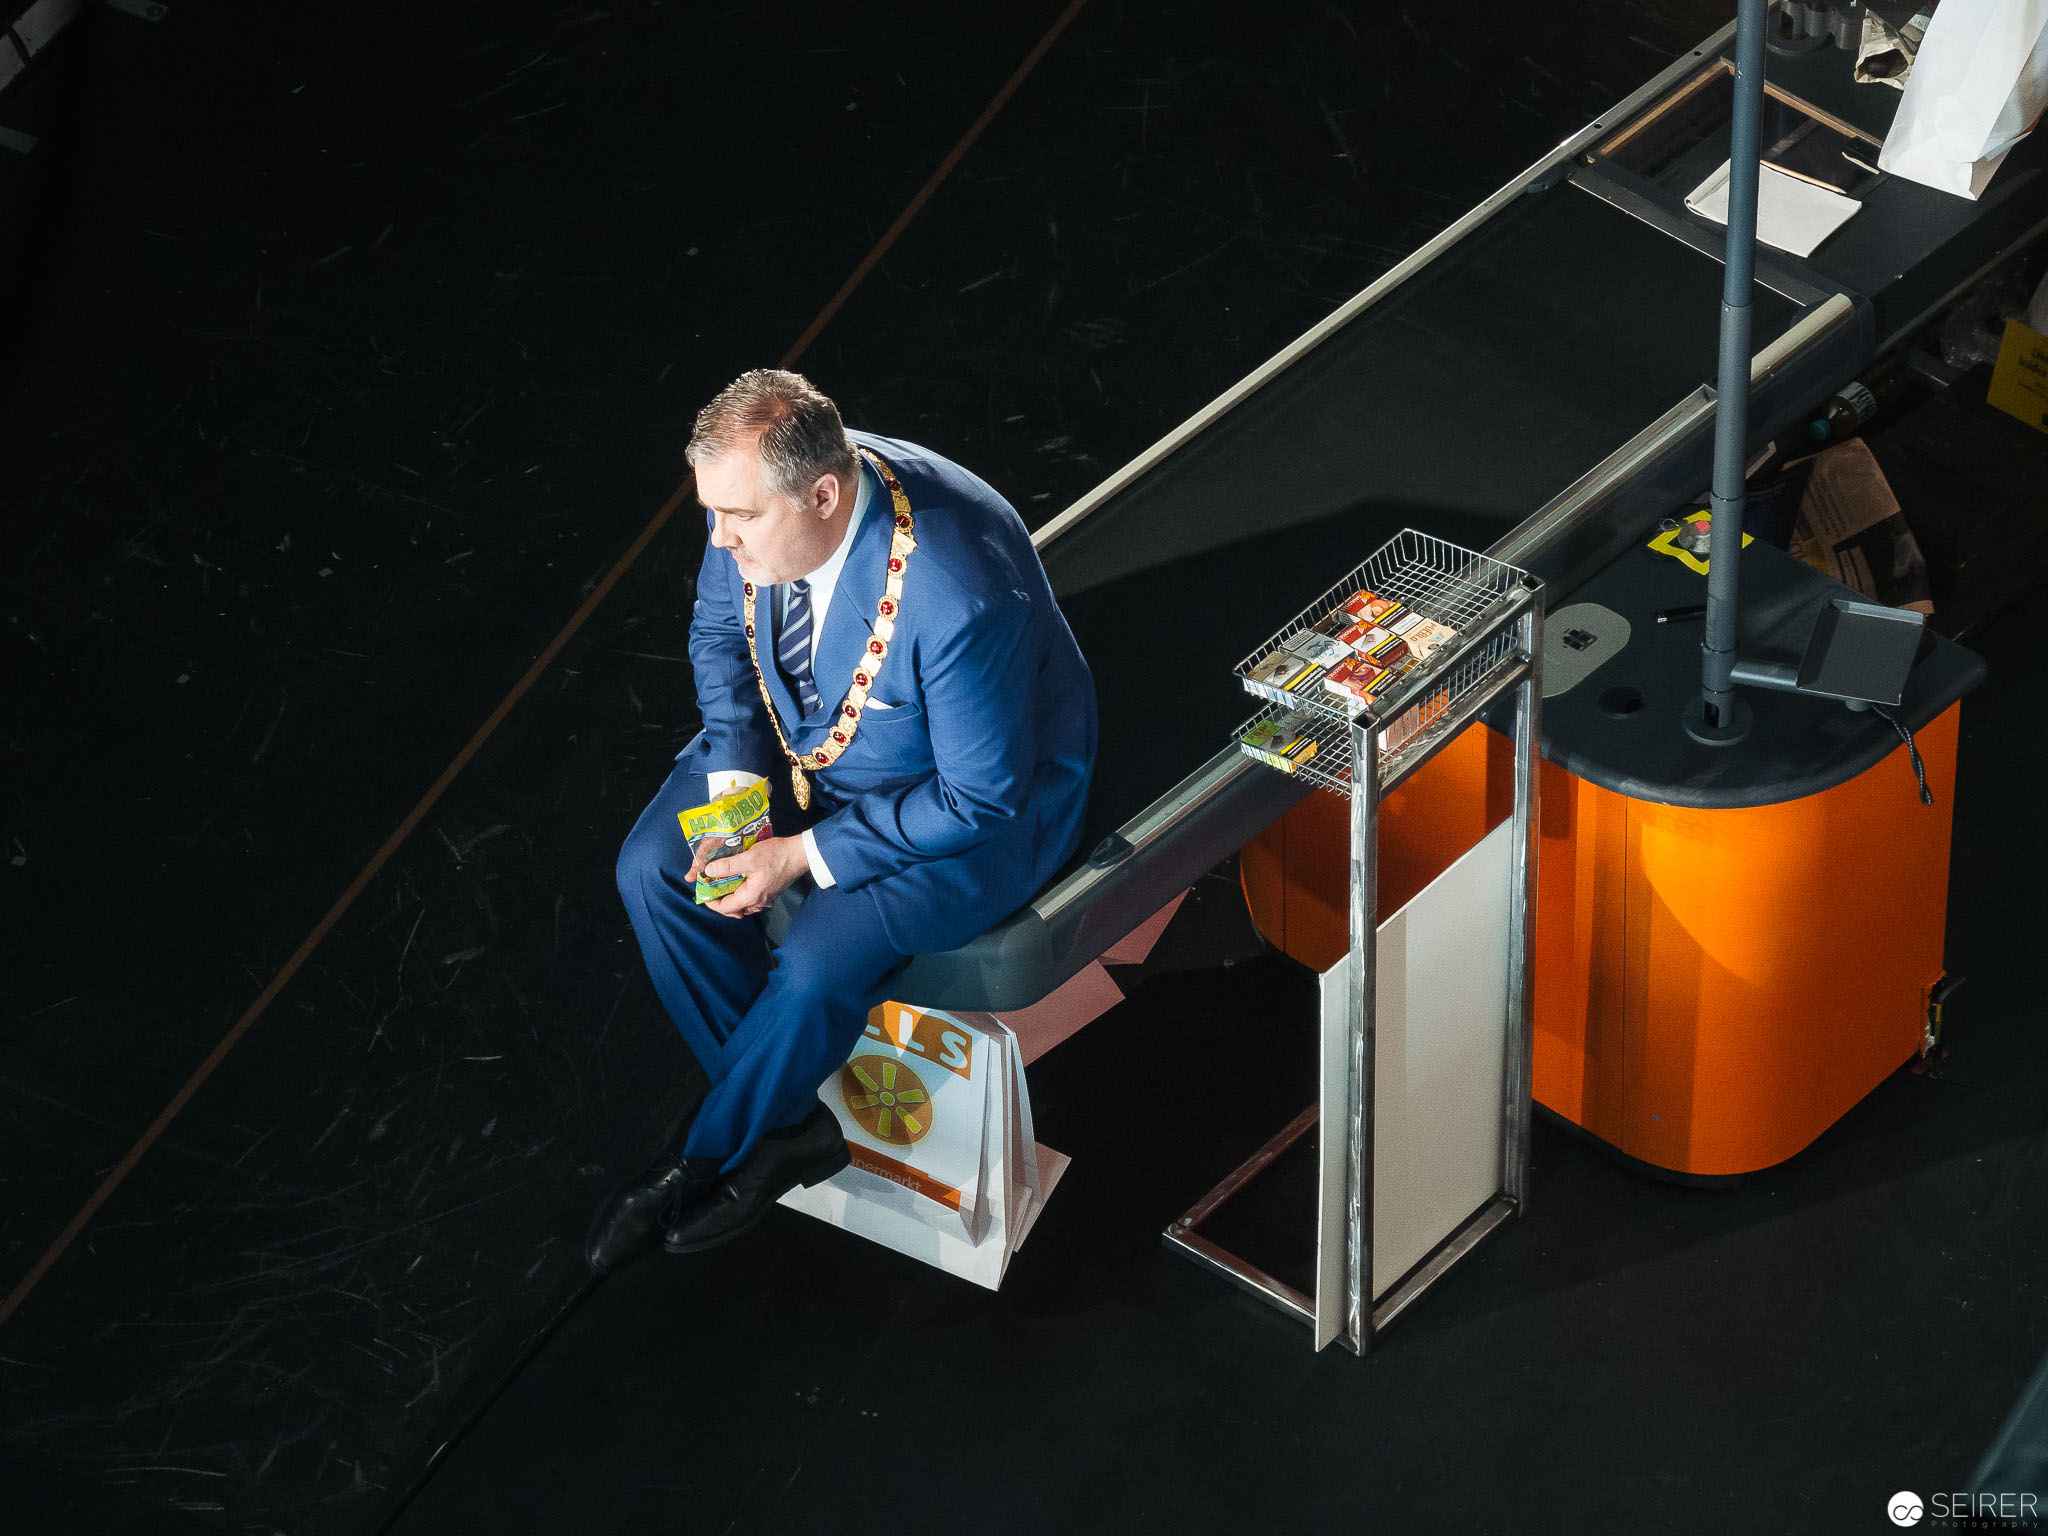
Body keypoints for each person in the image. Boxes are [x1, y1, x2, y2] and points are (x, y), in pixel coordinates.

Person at [588, 369, 1097, 1266]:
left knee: (820, 963)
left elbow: (980, 797)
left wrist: (795, 859)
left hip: (963, 807)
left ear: (823, 495)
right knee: (649, 871)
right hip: (802, 748)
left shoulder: (957, 594)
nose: (718, 537)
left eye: (738, 521)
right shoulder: (756, 495)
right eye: (713, 515)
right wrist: (741, 807)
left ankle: (704, 1153)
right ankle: (785, 1127)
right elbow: (720, 638)